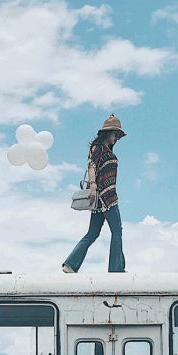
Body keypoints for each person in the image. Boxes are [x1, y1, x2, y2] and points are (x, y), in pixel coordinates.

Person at [62, 113, 126, 273]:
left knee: (92, 233)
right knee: (117, 231)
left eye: (118, 135)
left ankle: (70, 265)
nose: (117, 138)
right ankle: (116, 270)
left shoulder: (105, 150)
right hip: (107, 198)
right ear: (108, 132)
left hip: (100, 200)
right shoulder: (98, 148)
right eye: (115, 134)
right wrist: (92, 185)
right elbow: (91, 166)